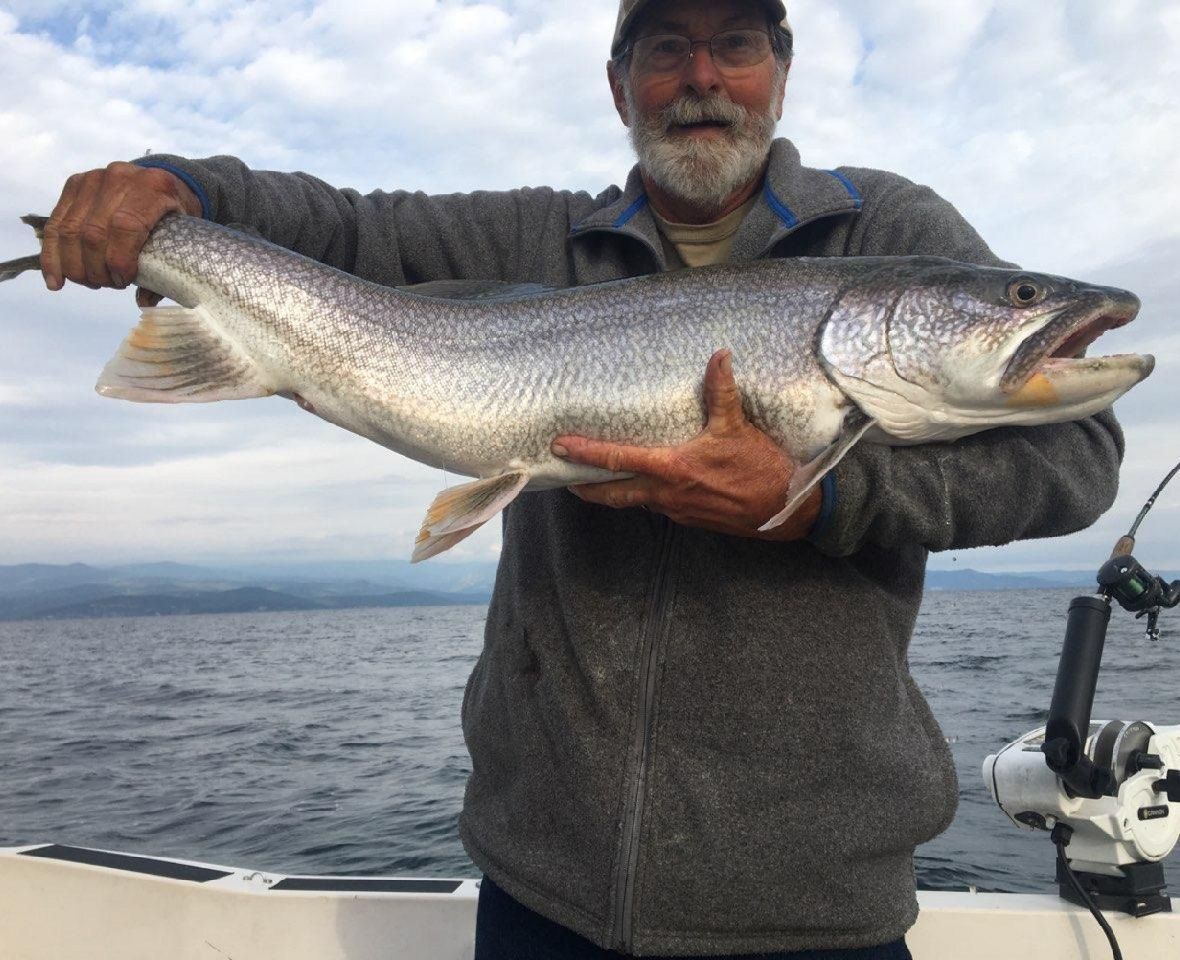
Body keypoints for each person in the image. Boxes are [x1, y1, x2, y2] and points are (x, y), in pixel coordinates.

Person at [38, 1, 1123, 957]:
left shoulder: (888, 230)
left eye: (735, 43)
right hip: (542, 886)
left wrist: (823, 501)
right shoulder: (537, 233)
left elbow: (1078, 459)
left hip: (812, 903)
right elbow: (340, 225)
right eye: (665, 49)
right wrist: (175, 194)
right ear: (619, 86)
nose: (701, 76)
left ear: (780, 70)